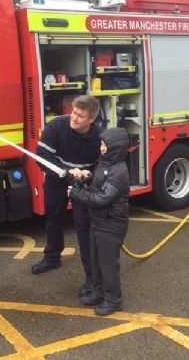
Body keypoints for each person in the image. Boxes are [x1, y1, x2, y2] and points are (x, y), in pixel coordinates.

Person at [32, 95, 101, 297]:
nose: (74, 117)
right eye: (73, 112)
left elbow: (103, 165)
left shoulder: (98, 136)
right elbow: (41, 157)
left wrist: (87, 177)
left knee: (83, 226)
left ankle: (91, 277)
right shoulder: (56, 126)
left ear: (91, 120)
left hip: (82, 182)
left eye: (80, 115)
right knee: (53, 216)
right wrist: (64, 171)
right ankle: (52, 257)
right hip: (57, 177)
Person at [68, 128, 130, 316]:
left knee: (107, 264)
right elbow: (97, 186)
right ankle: (97, 292)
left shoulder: (118, 172)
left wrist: (76, 193)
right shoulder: (105, 163)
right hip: (99, 221)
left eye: (105, 145)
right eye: (101, 144)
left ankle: (113, 300)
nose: (101, 148)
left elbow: (102, 199)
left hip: (111, 225)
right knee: (95, 260)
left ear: (115, 148)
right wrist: (86, 179)